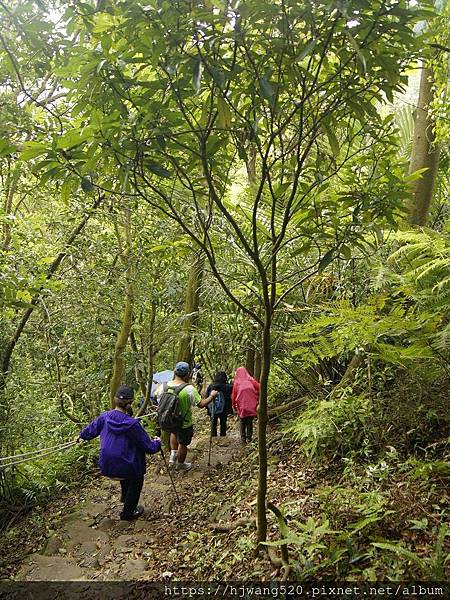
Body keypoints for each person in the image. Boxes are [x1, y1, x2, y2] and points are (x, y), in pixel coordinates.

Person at [77, 384, 161, 521]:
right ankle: (128, 512)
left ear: (115, 400)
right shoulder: (132, 424)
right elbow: (149, 448)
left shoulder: (104, 417)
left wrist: (81, 436)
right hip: (125, 468)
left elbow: (90, 430)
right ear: (131, 402)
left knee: (127, 463)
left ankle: (125, 497)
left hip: (107, 466)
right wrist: (158, 442)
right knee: (136, 477)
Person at [158, 361, 217, 471]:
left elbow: (159, 401)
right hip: (184, 422)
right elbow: (201, 404)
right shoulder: (189, 389)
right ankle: (180, 464)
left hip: (169, 419)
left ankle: (172, 456)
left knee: (174, 433)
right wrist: (212, 396)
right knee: (183, 443)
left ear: (174, 372)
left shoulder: (164, 386)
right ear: (187, 375)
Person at [232, 367, 260, 443]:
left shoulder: (237, 382)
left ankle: (243, 438)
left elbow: (234, 396)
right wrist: (257, 397)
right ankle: (249, 438)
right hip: (252, 405)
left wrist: (234, 406)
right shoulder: (251, 380)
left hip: (241, 406)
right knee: (249, 422)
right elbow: (260, 387)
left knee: (242, 421)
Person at [205, 371, 233, 437]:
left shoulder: (211, 386)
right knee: (223, 423)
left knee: (213, 423)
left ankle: (213, 435)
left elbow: (207, 396)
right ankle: (223, 436)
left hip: (213, 408)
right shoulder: (228, 387)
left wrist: (207, 407)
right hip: (224, 409)